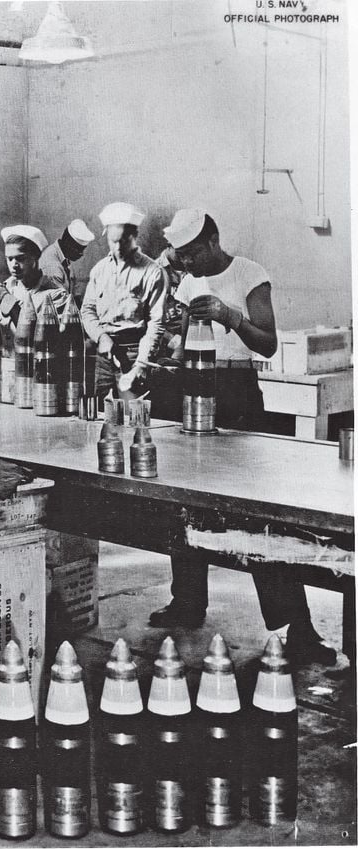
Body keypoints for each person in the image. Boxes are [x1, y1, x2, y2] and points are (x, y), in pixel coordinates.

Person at [150, 208, 336, 666]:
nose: (188, 263)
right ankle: (189, 601)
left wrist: (229, 315)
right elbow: (184, 344)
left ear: (213, 240)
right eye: (182, 256)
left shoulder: (249, 273)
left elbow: (268, 342)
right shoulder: (187, 280)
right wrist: (171, 341)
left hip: (237, 393)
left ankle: (299, 629)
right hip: (193, 387)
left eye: (193, 254)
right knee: (185, 499)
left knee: (255, 515)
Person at [80, 202, 167, 401]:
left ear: (134, 236)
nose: (118, 247)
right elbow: (88, 311)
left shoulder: (152, 272)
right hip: (103, 355)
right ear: (106, 236)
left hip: (136, 354)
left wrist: (142, 364)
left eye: (123, 241)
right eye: (113, 241)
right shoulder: (99, 270)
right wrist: (101, 337)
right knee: (102, 416)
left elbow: (157, 322)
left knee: (134, 416)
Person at [0, 225, 70, 326]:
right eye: (9, 259)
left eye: (21, 258)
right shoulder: (7, 287)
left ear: (36, 257)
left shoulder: (56, 296)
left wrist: (8, 303)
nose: (14, 265)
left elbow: (39, 337)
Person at [38, 219, 96, 304]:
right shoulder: (53, 267)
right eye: (79, 250)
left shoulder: (61, 256)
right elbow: (60, 305)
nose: (81, 254)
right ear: (68, 243)